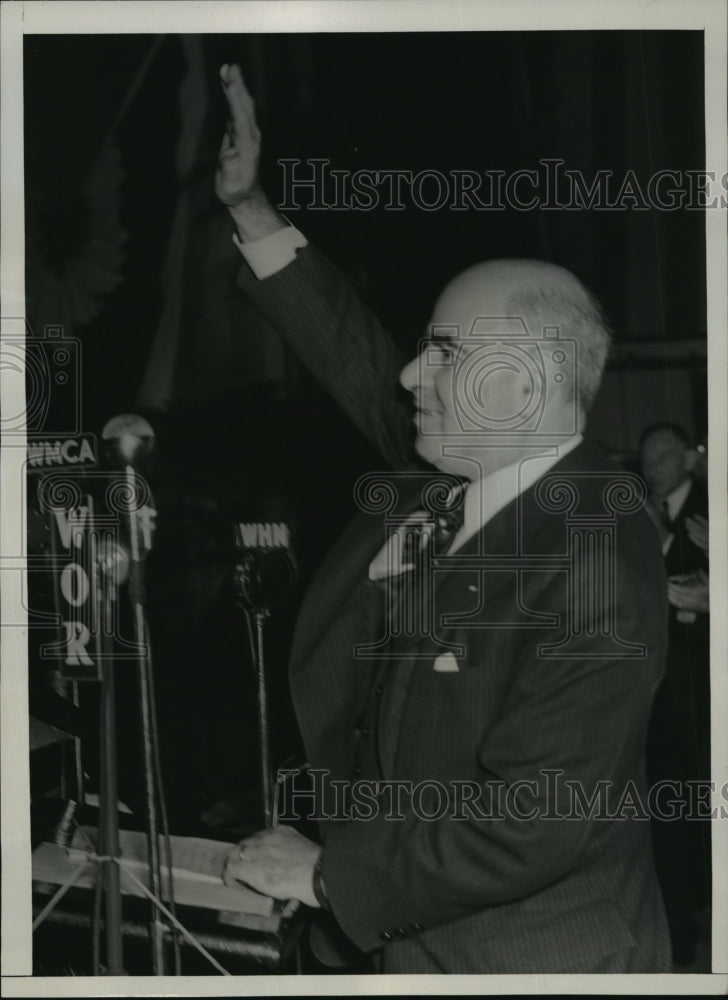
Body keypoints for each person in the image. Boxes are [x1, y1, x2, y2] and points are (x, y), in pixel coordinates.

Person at [216, 63, 671, 974]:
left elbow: (529, 824)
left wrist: (327, 877)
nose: (410, 375)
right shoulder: (460, 469)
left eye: (442, 353)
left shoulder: (595, 559)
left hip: (527, 963)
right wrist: (253, 209)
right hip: (416, 946)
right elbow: (353, 353)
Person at [640, 422, 710, 964]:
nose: (651, 465)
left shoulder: (713, 512)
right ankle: (680, 937)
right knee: (674, 823)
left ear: (689, 457)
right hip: (657, 702)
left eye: (662, 454)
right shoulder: (640, 513)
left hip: (705, 701)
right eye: (646, 457)